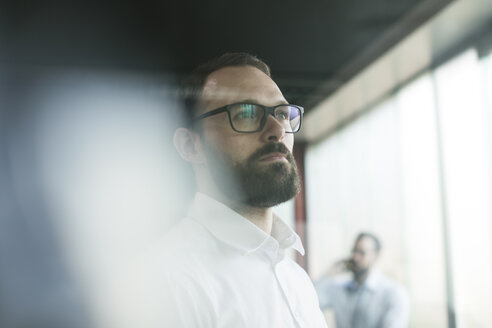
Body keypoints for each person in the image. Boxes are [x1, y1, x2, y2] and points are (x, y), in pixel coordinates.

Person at [104, 52, 327, 328]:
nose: (277, 130)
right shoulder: (163, 282)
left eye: (282, 113)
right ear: (190, 146)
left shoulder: (295, 278)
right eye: (246, 113)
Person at [314, 233, 409, 328]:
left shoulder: (393, 293)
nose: (355, 257)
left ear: (376, 256)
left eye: (361, 252)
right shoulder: (340, 289)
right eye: (354, 251)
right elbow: (310, 301)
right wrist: (328, 274)